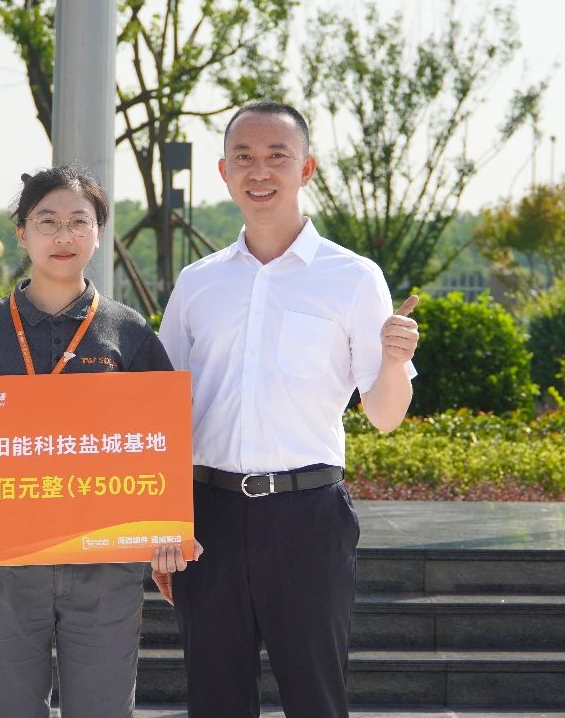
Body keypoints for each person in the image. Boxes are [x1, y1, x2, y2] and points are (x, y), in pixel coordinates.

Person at [153, 100, 420, 718]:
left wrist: (393, 360)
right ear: (224, 171)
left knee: (315, 698)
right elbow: (163, 411)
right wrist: (161, 525)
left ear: (306, 169)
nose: (260, 170)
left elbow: (385, 416)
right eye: (243, 156)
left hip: (308, 517)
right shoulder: (197, 283)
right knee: (214, 700)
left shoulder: (353, 278)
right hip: (208, 516)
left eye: (278, 155)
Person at [0, 164, 181, 718]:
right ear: (21, 233)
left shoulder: (128, 331)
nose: (63, 235)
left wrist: (170, 530)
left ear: (99, 232)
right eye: (47, 221)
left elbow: (165, 440)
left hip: (103, 566)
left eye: (79, 221)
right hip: (3, 564)